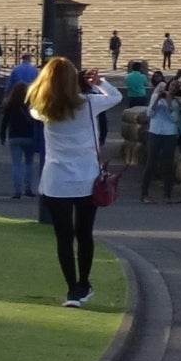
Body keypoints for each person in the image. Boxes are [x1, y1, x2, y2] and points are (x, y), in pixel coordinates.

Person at [28, 56, 123, 307]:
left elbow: (33, 106)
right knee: (84, 234)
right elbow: (115, 97)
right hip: (85, 177)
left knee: (63, 237)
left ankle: (72, 289)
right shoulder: (89, 103)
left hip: (56, 179)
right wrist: (97, 82)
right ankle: (84, 283)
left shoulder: (43, 107)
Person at [0, 59, 44, 201]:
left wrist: (2, 136)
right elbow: (39, 120)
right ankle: (28, 188)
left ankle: (17, 190)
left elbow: (5, 121)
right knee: (29, 163)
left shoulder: (10, 104)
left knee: (16, 165)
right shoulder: (31, 105)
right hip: (29, 136)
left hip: (14, 136)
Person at [140, 74, 181, 201]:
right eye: (172, 85)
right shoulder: (156, 96)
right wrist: (157, 100)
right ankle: (144, 194)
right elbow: (150, 113)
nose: (173, 88)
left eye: (176, 87)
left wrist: (169, 104)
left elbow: (175, 119)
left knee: (168, 163)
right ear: (168, 85)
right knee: (151, 162)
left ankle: (167, 193)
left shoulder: (177, 101)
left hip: (169, 133)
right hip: (155, 132)